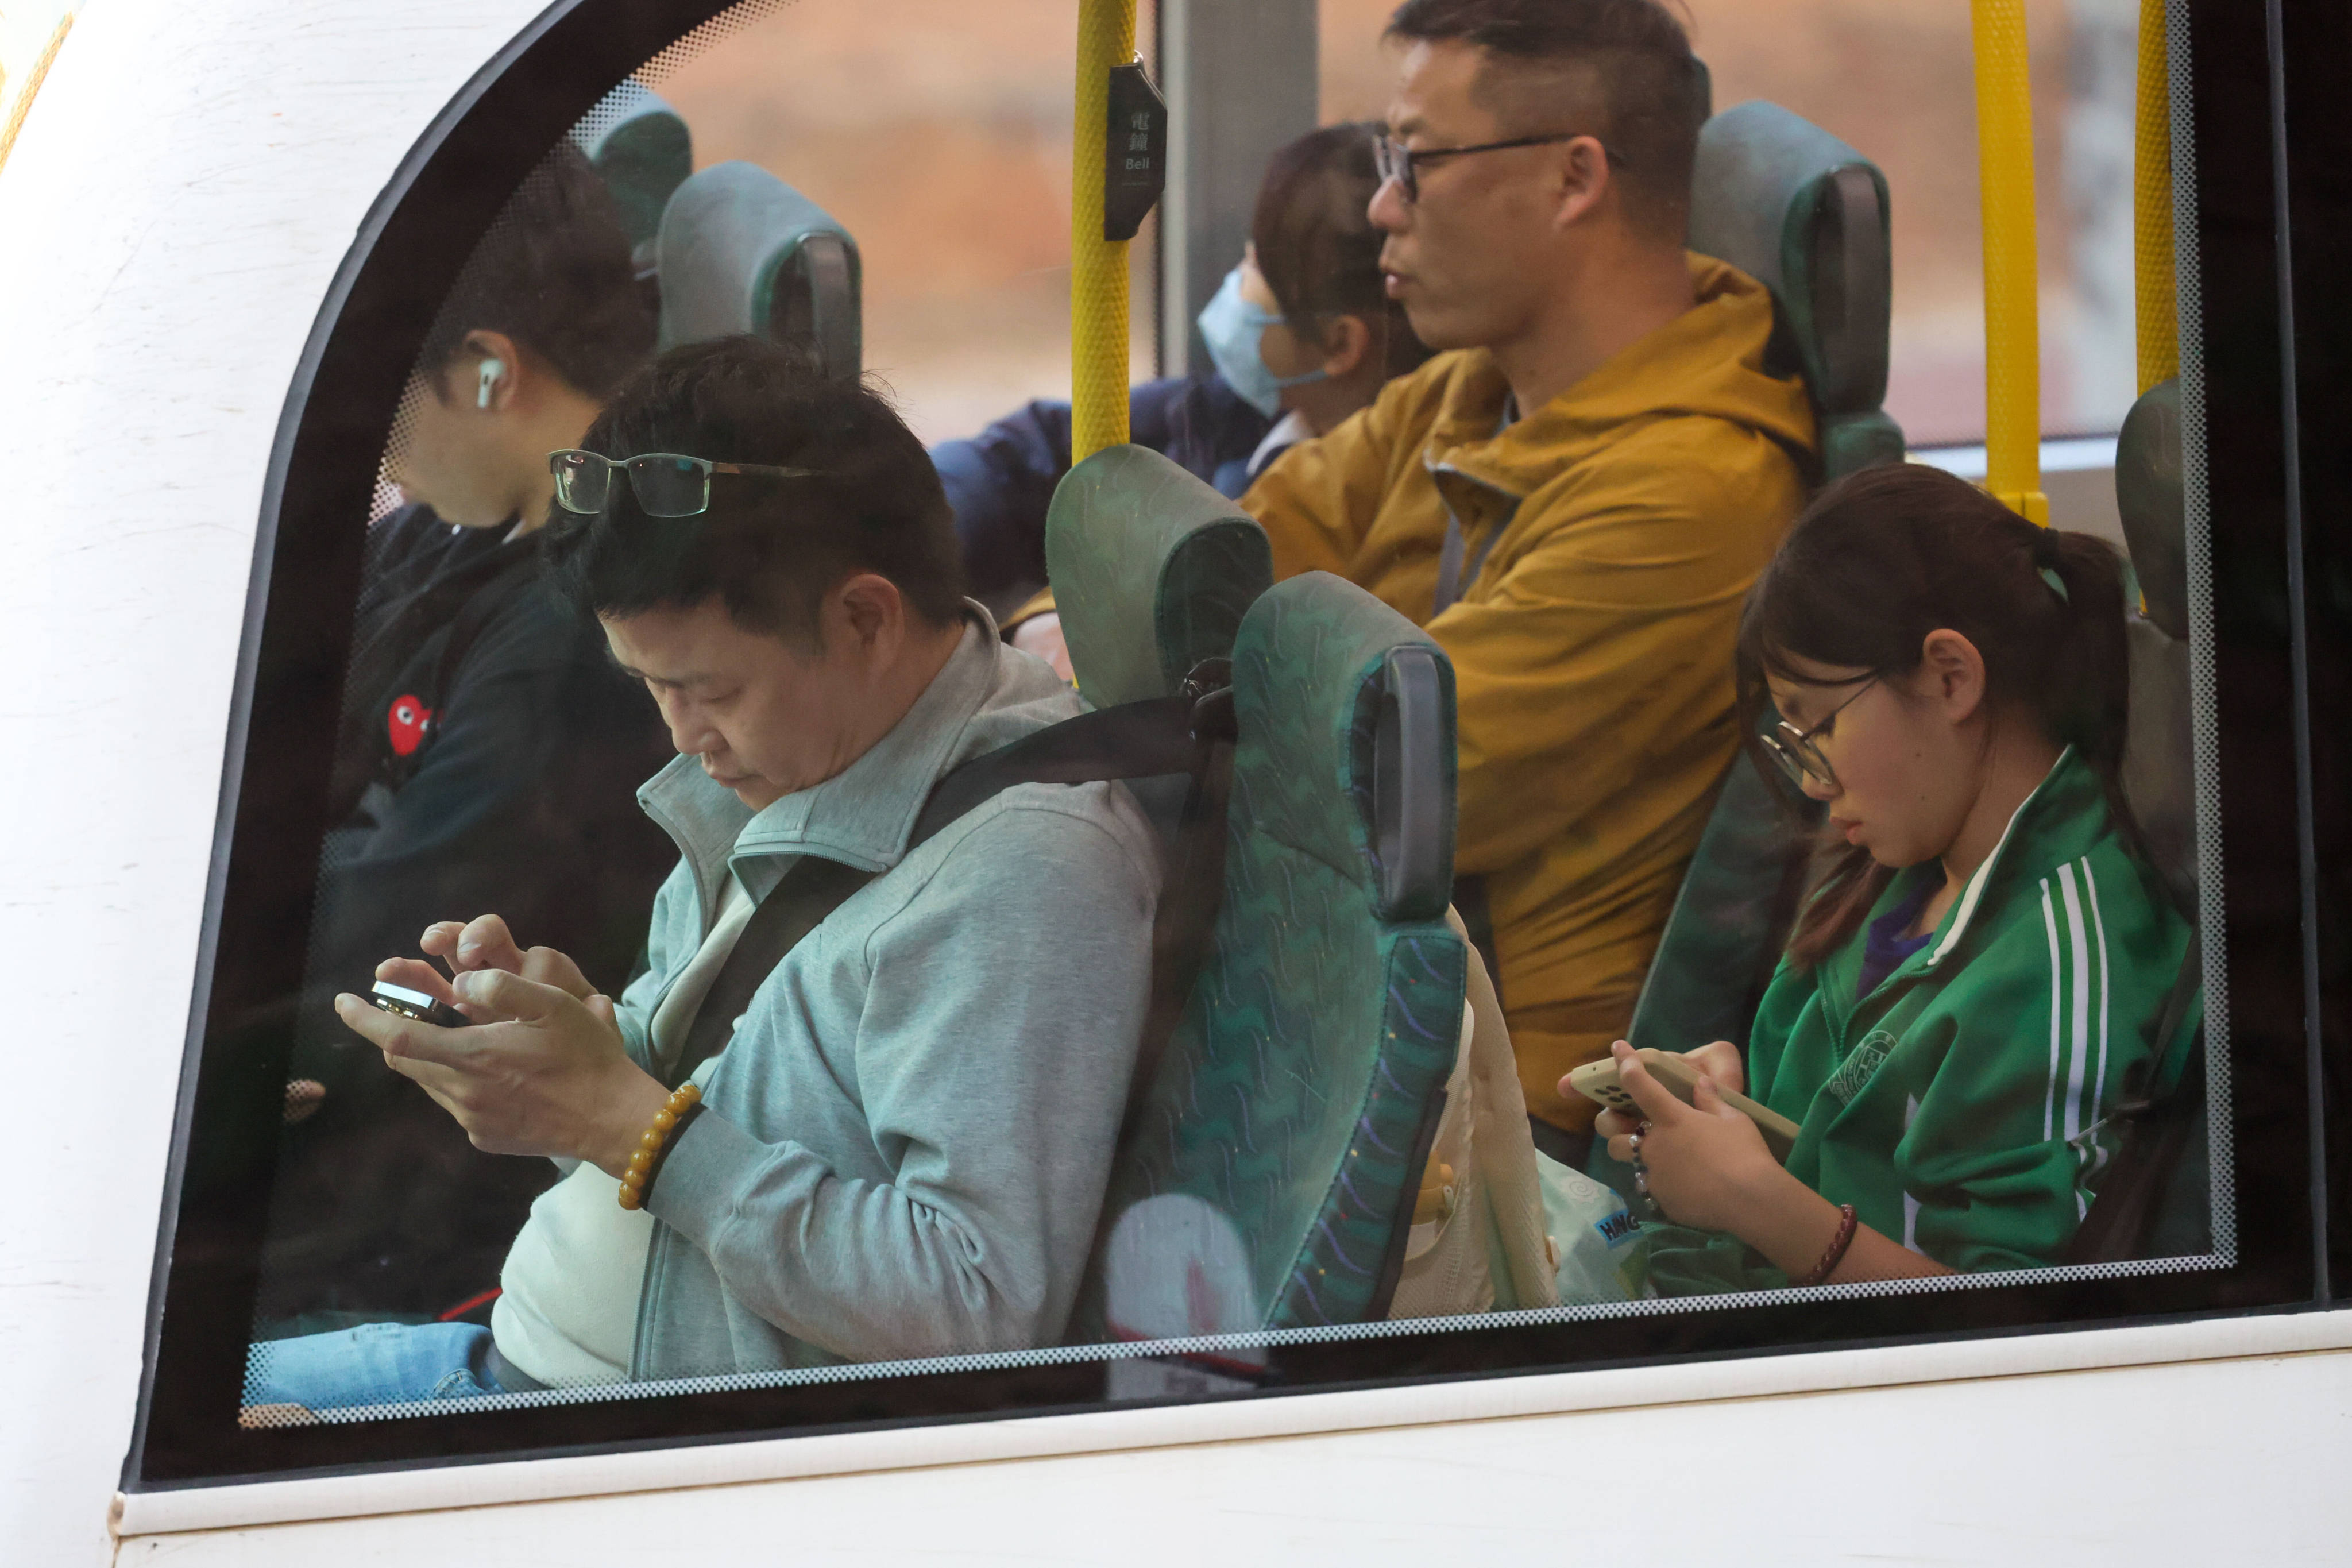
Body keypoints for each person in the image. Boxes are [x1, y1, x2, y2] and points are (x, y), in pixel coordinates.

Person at [244, 337, 1160, 1411]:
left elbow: (975, 1306)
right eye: (650, 687)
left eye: (709, 689)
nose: (684, 739)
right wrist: (580, 1053)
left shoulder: (1024, 877)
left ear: (864, 618)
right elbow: (729, 1113)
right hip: (518, 1347)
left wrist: (623, 1125)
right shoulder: (812, 759)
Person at [1221, 0, 1819, 1157]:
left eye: (1415, 162)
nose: (1382, 205)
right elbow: (1221, 556)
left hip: (1489, 1126)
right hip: (1368, 1025)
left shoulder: (1692, 496)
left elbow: (1369, 782)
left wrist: (1169, 688)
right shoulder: (1463, 394)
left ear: (1572, 178)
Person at [1591, 465, 2199, 1292]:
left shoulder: (2057, 962)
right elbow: (1849, 1162)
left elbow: (2024, 1341)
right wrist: (1730, 1122)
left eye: (1814, 724)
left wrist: (1756, 1201)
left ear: (1950, 676)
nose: (1810, 781)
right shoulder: (1886, 871)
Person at [260, 142, 679, 1322]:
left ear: (491, 370)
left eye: (383, 392)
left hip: (443, 1180)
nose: (372, 443)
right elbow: (287, 727)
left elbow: (405, 933)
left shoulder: (580, 638)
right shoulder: (457, 529)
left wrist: (228, 1030)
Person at [939, 121, 1428, 613]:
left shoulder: (1390, 519)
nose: (1236, 284)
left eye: (1258, 268)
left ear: (1339, 343)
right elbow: (1033, 458)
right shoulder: (1233, 418)